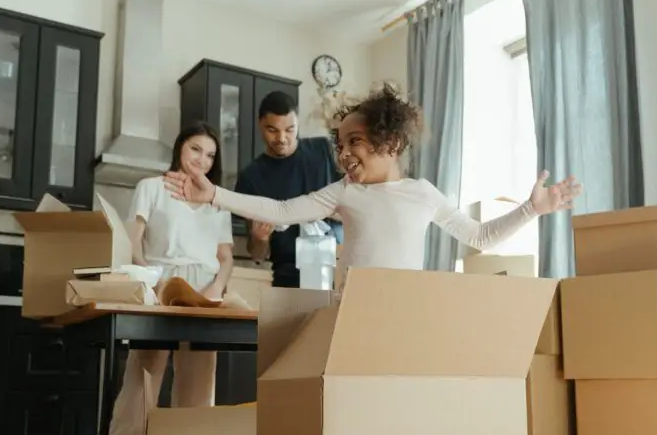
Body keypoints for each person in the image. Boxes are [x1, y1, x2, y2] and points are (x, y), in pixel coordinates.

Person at [164, 84, 581, 288]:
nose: (343, 154)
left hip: (403, 309)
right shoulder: (346, 192)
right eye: (340, 145)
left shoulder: (422, 193)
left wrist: (532, 210)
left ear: (391, 143)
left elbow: (480, 234)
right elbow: (282, 210)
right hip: (348, 309)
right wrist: (213, 193)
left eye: (354, 142)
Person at [79, 121, 234, 435]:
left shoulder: (217, 201)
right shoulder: (151, 187)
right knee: (137, 393)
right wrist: (147, 274)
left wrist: (217, 287)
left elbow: (226, 257)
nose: (203, 159)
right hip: (160, 287)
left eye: (210, 155)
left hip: (203, 295)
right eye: (196, 149)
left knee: (198, 400)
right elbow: (134, 240)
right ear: (180, 149)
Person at [235, 91, 343, 287]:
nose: (282, 138)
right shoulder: (251, 177)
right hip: (288, 278)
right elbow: (257, 254)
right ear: (260, 124)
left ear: (298, 123)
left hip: (336, 269)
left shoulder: (323, 150)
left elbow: (353, 202)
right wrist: (259, 239)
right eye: (272, 130)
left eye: (290, 129)